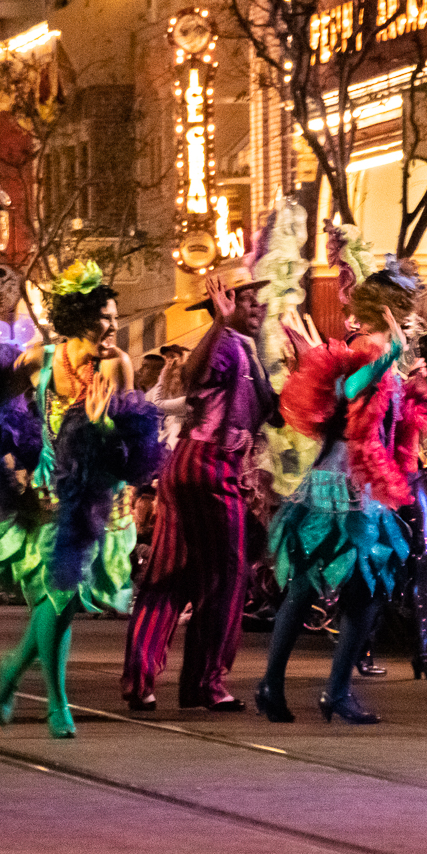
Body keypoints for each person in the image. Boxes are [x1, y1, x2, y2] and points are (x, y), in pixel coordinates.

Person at [0, 260, 164, 737]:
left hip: (100, 498)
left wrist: (105, 424)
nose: (113, 327)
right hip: (52, 495)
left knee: (65, 604)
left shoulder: (118, 365)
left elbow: (135, 444)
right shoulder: (41, 361)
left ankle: (12, 670)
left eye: (115, 318)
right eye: (104, 319)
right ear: (77, 321)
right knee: (59, 594)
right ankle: (57, 703)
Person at [256, 258, 427, 725]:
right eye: (407, 308)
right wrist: (391, 356)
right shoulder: (364, 348)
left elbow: (396, 416)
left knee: (363, 592)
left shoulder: (389, 350)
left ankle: (328, 690)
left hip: (367, 486)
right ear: (391, 309)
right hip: (338, 483)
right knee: (307, 586)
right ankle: (281, 684)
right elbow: (349, 389)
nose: (413, 316)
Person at [121, 267, 276, 713]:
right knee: (226, 576)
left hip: (192, 468)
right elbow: (193, 376)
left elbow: (267, 412)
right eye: (248, 300)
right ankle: (206, 683)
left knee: (172, 574)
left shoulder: (246, 347)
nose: (257, 307)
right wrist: (218, 326)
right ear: (224, 304)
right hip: (209, 469)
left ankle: (143, 680)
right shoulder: (224, 343)